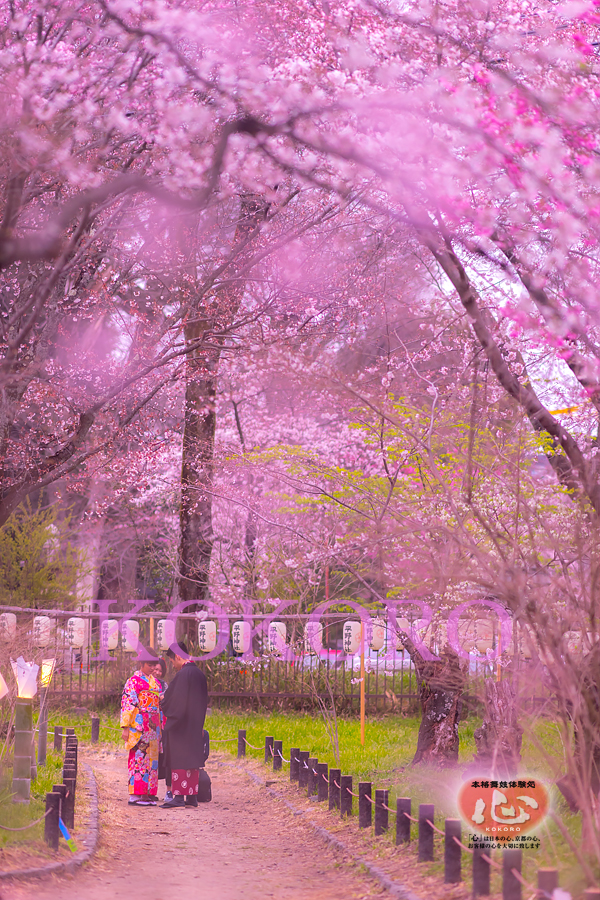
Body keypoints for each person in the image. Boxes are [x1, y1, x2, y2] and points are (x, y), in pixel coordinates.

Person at [160, 641, 208, 809]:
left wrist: (163, 701)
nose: (173, 665)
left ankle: (179, 796)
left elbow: (175, 702)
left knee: (179, 758)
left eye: (172, 661)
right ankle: (192, 796)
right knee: (192, 759)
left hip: (180, 725)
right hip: (195, 724)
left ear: (178, 657)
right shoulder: (199, 674)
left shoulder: (183, 675)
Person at [120, 657, 162, 806]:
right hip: (139, 725)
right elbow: (128, 704)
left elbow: (159, 706)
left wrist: (160, 727)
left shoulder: (155, 683)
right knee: (139, 758)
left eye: (153, 665)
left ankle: (147, 794)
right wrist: (126, 727)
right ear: (141, 664)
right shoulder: (133, 681)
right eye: (149, 665)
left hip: (154, 724)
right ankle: (135, 795)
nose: (152, 668)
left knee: (152, 761)